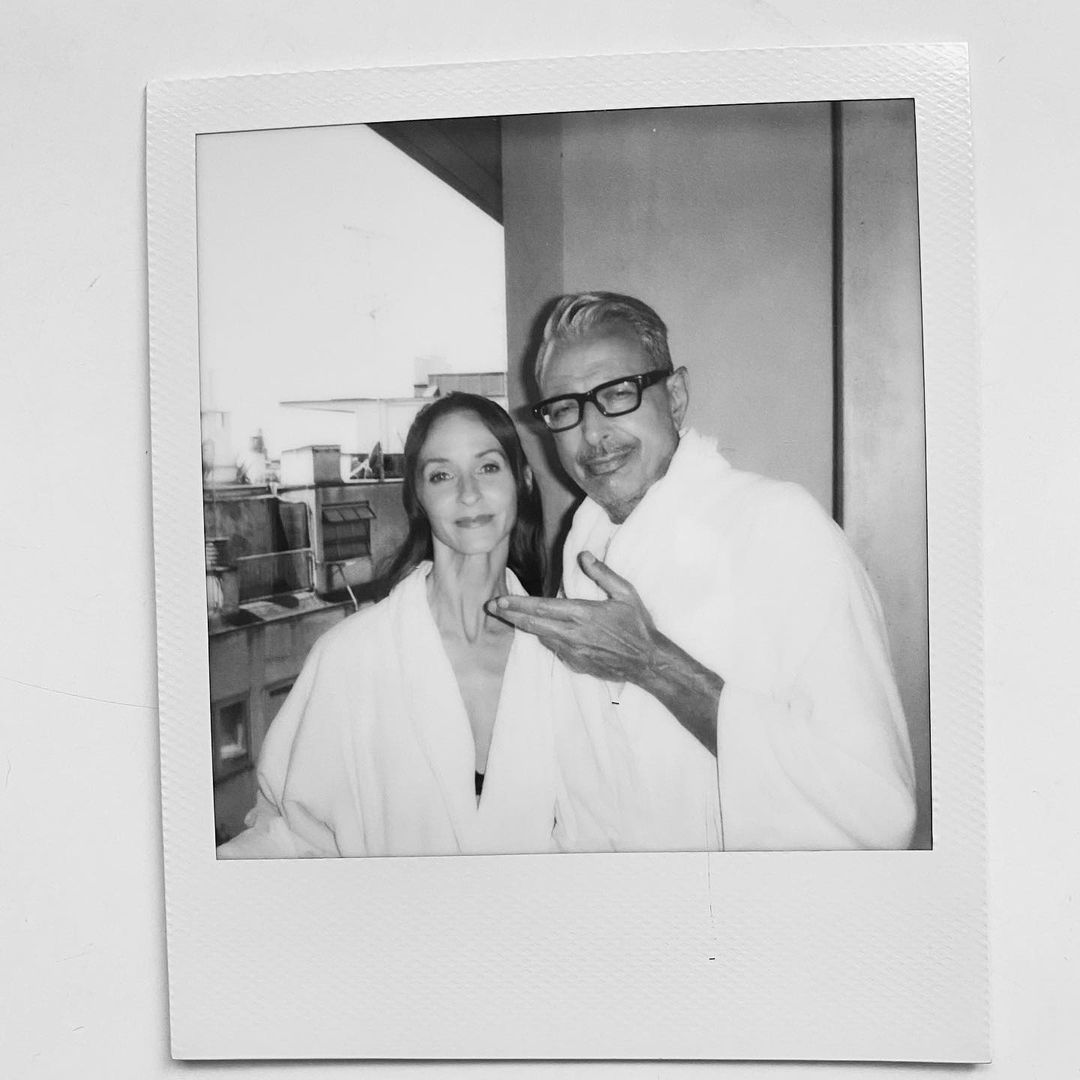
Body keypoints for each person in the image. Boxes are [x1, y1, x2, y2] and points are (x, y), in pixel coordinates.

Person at [492, 292, 918, 852]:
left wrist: (653, 663)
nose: (592, 434)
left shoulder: (779, 527)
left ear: (674, 397)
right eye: (565, 409)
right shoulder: (584, 547)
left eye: (617, 394)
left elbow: (876, 808)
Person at [218, 393, 566, 858]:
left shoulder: (561, 656)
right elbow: (290, 836)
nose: (468, 493)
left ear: (522, 480)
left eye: (488, 467)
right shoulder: (351, 656)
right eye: (441, 475)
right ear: (418, 497)